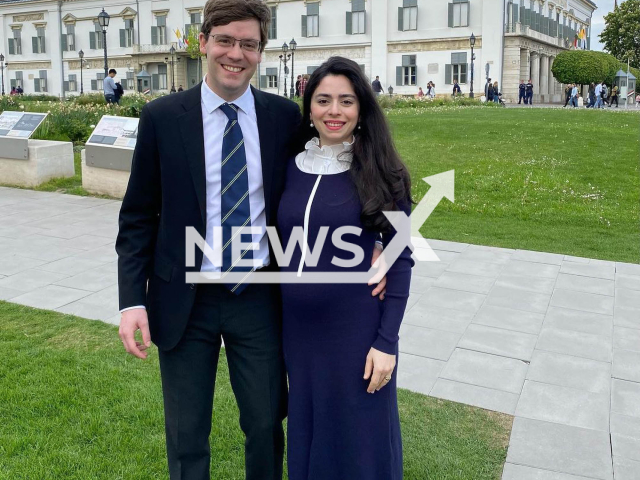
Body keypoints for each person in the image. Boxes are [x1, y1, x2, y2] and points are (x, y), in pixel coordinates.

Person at [116, 2, 386, 479]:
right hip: (183, 297)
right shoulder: (161, 117)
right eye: (225, 41)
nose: (235, 54)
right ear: (203, 43)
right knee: (186, 433)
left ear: (261, 51)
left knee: (265, 426)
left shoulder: (283, 117)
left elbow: (337, 165)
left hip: (259, 295)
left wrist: (377, 237)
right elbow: (138, 216)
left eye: (248, 44)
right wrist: (130, 301)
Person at [280, 55, 413, 480]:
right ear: (309, 106)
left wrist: (387, 342)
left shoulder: (385, 171)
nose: (334, 111)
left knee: (358, 439)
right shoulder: (290, 164)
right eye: (323, 100)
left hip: (355, 332)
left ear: (362, 110)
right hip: (298, 335)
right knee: (310, 433)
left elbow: (401, 257)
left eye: (346, 101)